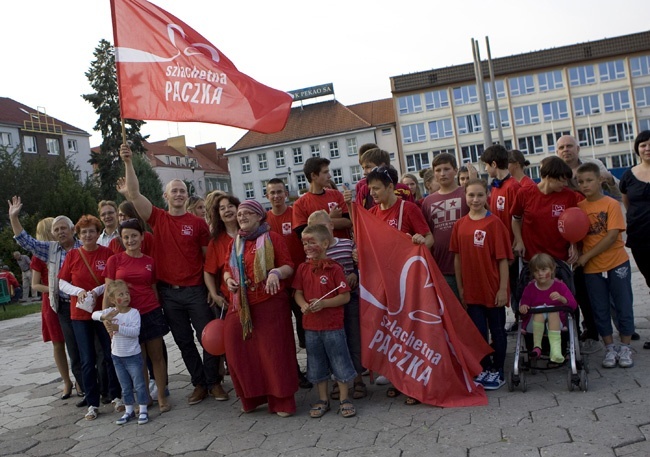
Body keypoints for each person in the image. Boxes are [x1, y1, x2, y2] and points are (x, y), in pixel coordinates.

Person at [120, 143, 225, 405]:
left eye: (182, 191)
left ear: (186, 196)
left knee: (209, 338)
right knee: (183, 342)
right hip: (169, 294)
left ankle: (215, 383)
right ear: (166, 196)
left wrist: (212, 290)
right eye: (174, 191)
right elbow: (134, 195)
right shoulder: (157, 218)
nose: (178, 194)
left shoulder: (198, 223)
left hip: (196, 292)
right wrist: (129, 161)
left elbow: (207, 259)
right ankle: (199, 384)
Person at [344, 166, 432, 405]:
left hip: (406, 283)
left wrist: (420, 241)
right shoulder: (371, 213)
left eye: (376, 188)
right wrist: (357, 254)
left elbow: (429, 238)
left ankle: (414, 384)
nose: (372, 192)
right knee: (391, 332)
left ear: (391, 187)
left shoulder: (408, 208)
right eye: (370, 188)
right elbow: (367, 247)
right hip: (381, 284)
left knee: (409, 330)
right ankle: (397, 380)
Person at [223, 200, 298, 416]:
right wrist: (228, 280)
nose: (242, 217)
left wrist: (275, 273)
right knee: (238, 350)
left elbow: (288, 266)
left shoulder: (272, 238)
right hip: (241, 304)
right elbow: (227, 269)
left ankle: (282, 400)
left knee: (274, 353)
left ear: (259, 216)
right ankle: (253, 397)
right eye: (239, 214)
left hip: (269, 303)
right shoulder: (235, 242)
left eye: (247, 213)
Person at [8, 197, 85, 404]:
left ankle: (102, 386)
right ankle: (82, 386)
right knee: (72, 348)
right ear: (52, 233)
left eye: (64, 228)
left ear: (72, 230)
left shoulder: (83, 246)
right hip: (62, 306)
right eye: (56, 229)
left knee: (91, 346)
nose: (60, 232)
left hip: (85, 305)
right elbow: (25, 240)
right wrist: (14, 217)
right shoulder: (49, 250)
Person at [58, 214, 121, 421]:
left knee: (110, 354)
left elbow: (111, 280)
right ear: (79, 235)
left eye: (91, 231)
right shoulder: (73, 256)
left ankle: (116, 396)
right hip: (80, 314)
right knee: (87, 359)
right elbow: (62, 283)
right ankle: (92, 403)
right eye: (84, 232)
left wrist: (95, 290)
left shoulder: (107, 252)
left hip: (103, 311)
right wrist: (79, 292)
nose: (88, 235)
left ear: (97, 233)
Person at [451, 178, 512, 390]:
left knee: (497, 330)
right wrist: (460, 287)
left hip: (493, 289)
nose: (475, 199)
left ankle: (498, 370)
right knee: (477, 333)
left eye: (479, 195)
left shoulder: (494, 223)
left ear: (487, 196)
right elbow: (457, 259)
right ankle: (484, 368)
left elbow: (503, 259)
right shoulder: (459, 225)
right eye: (471, 195)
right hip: (471, 290)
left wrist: (503, 289)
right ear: (465, 197)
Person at [104, 218, 171, 411]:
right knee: (137, 357)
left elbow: (153, 288)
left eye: (134, 236)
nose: (130, 240)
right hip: (126, 316)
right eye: (126, 237)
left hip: (150, 312)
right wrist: (106, 317)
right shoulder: (114, 260)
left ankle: (161, 395)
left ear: (142, 237)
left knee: (157, 356)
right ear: (121, 239)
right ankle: (144, 396)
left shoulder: (150, 261)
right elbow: (109, 292)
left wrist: (158, 309)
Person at [293, 224, 356, 418]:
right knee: (316, 362)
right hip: (311, 328)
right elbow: (298, 293)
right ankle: (323, 399)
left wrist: (325, 303)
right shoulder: (302, 268)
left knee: (339, 360)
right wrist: (303, 305)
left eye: (312, 242)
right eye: (304, 243)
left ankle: (345, 398)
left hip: (333, 327)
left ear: (325, 243)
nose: (307, 247)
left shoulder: (335, 268)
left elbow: (345, 296)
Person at [576, 162, 635, 368]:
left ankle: (625, 347)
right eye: (580, 182)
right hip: (592, 269)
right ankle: (610, 348)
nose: (584, 185)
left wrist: (586, 256)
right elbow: (575, 235)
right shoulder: (579, 209)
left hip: (616, 263)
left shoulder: (610, 204)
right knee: (599, 308)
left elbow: (611, 236)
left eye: (589, 180)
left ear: (600, 180)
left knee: (623, 304)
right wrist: (577, 253)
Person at [555, 135, 609, 344]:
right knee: (581, 289)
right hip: (572, 241)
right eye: (561, 147)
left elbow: (612, 192)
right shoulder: (559, 173)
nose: (566, 150)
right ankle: (588, 328)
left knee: (602, 287)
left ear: (577, 148)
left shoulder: (592, 167)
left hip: (596, 236)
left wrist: (610, 180)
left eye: (569, 146)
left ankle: (619, 326)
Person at [307, 210, 365, 400]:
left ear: (331, 226)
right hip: (329, 307)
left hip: (350, 301)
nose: (320, 233)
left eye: (323, 227)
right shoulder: (313, 254)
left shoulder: (348, 245)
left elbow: (361, 265)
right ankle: (338, 381)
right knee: (333, 345)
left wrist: (355, 273)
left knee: (354, 340)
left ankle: (357, 380)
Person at [264, 179, 312, 388]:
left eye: (279, 192)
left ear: (286, 194)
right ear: (267, 196)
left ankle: (314, 368)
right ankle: (294, 372)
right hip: (277, 287)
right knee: (284, 333)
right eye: (272, 193)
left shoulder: (295, 214)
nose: (276, 196)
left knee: (306, 329)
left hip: (300, 283)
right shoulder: (263, 221)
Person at [31, 218, 76, 399]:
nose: (57, 232)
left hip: (70, 299)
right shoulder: (40, 255)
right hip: (51, 303)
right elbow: (35, 284)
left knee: (75, 342)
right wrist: (53, 289)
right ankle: (66, 381)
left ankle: (80, 379)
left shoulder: (65, 250)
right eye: (53, 229)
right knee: (58, 344)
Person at [93, 280, 149, 425]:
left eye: (127, 293)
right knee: (125, 386)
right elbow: (93, 314)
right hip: (117, 356)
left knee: (139, 384)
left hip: (133, 355)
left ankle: (143, 409)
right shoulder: (111, 313)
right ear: (112, 300)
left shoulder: (134, 313)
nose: (125, 297)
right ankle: (129, 409)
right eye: (121, 294)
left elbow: (135, 332)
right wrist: (104, 317)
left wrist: (117, 328)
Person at [480, 144, 522, 330]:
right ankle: (517, 318)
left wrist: (515, 243)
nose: (486, 170)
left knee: (516, 284)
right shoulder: (495, 188)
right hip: (499, 248)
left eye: (486, 166)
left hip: (512, 248)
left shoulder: (513, 187)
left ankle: (523, 321)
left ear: (494, 164)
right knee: (508, 285)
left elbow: (519, 219)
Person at [203, 194, 240, 389]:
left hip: (255, 298)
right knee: (234, 346)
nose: (227, 210)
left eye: (231, 206)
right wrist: (215, 294)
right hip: (229, 300)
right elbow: (208, 272)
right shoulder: (216, 241)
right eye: (222, 208)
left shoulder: (250, 231)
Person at [421, 153, 468, 298]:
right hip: (442, 268)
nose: (442, 173)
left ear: (455, 170)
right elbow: (427, 233)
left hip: (469, 266)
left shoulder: (467, 194)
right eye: (438, 170)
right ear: (434, 173)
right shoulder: (427, 202)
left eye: (447, 169)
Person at [619, 130, 650, 349]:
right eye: (643, 145)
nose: (647, 148)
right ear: (637, 148)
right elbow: (627, 202)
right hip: (640, 237)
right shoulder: (629, 175)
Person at [519, 253, 578, 365]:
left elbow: (573, 306)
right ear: (532, 273)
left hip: (556, 324)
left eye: (543, 269)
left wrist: (562, 299)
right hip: (534, 325)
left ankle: (555, 350)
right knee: (541, 310)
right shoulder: (530, 288)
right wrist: (523, 307)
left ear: (552, 270)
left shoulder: (560, 286)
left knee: (552, 311)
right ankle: (537, 347)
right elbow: (523, 305)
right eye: (536, 271)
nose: (540, 274)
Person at [292, 157, 352, 239]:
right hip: (319, 251)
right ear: (313, 175)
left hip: (342, 249)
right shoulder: (299, 204)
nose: (329, 176)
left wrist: (315, 223)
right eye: (325, 172)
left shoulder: (337, 195)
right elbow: (304, 234)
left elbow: (348, 222)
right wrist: (329, 217)